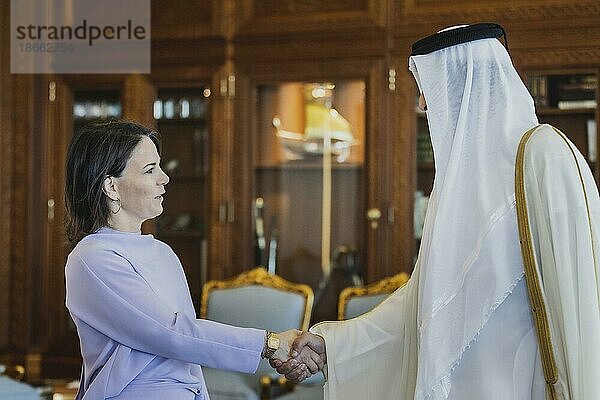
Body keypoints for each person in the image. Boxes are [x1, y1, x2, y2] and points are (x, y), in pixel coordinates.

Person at [273, 23, 600, 399]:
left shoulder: (542, 157)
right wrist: (332, 344)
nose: (425, 106)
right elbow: (423, 305)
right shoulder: (454, 190)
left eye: (432, 92)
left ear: (467, 85)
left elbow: (581, 301)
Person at [64, 120, 323, 400]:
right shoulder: (92, 258)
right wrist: (270, 344)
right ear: (111, 187)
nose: (165, 178)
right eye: (150, 170)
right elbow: (171, 333)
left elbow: (187, 350)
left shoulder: (162, 252)